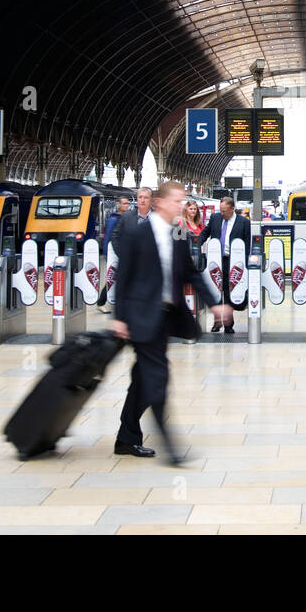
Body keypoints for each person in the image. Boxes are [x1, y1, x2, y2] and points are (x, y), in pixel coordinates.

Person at [110, 181, 218, 464]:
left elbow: (190, 273)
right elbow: (124, 278)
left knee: (142, 380)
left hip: (164, 319)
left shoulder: (179, 233)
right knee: (158, 379)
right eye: (176, 201)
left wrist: (215, 302)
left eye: (182, 202)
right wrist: (119, 318)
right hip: (140, 317)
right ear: (159, 202)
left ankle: (126, 437)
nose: (180, 206)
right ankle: (171, 449)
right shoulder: (137, 232)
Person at [204, 195, 250, 334]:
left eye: (225, 211)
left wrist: (246, 263)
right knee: (217, 290)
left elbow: (247, 243)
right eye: (221, 210)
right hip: (217, 260)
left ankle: (228, 324)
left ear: (232, 209)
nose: (222, 213)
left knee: (230, 291)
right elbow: (206, 232)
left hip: (234, 262)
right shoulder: (215, 218)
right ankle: (217, 323)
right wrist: (195, 243)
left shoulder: (243, 222)